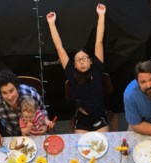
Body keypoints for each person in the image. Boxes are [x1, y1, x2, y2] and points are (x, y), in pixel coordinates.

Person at [46, 4, 109, 133]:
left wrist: (101, 15)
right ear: (74, 64)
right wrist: (51, 24)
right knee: (81, 147)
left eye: (84, 58)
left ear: (90, 61)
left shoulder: (97, 68)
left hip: (99, 117)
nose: (82, 62)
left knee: (103, 144)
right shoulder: (71, 72)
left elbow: (99, 42)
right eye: (78, 60)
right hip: (82, 119)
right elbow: (60, 48)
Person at [0, 69, 44, 145]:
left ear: (17, 87)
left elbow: (42, 110)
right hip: (10, 132)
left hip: (33, 131)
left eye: (11, 91)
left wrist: (44, 126)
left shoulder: (31, 94)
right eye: (4, 93)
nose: (9, 97)